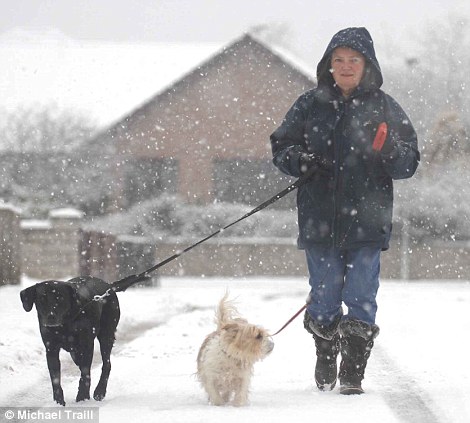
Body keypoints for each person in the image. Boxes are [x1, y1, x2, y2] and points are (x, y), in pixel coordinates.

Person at [270, 27, 419, 395]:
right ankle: (325, 346)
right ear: (329, 65)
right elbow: (281, 147)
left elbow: (409, 161)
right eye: (339, 60)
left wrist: (388, 153)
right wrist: (302, 161)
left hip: (369, 221)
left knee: (361, 292)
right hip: (319, 219)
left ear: (366, 65)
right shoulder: (309, 104)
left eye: (354, 60)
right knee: (324, 294)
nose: (346, 66)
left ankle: (353, 371)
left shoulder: (385, 107)